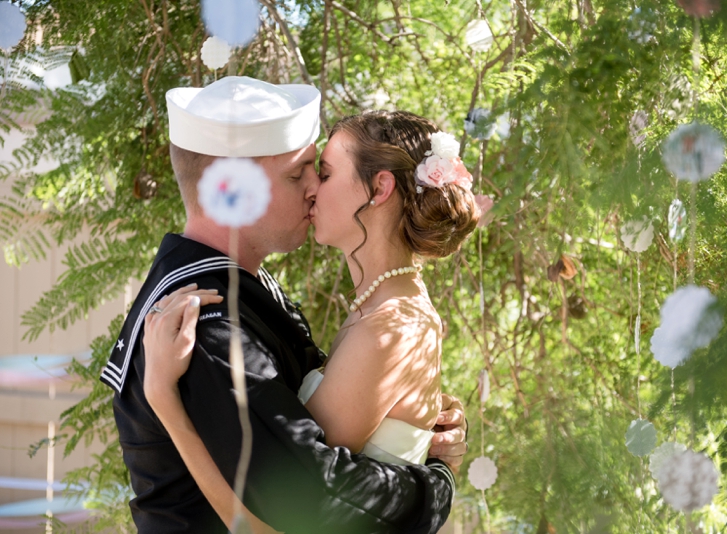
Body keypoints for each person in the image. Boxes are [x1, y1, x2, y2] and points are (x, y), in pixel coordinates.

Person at [100, 77, 466, 534]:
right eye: (298, 174)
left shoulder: (249, 290)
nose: (314, 188)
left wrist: (415, 424)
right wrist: (437, 481)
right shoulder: (202, 322)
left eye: (320, 171)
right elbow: (313, 497)